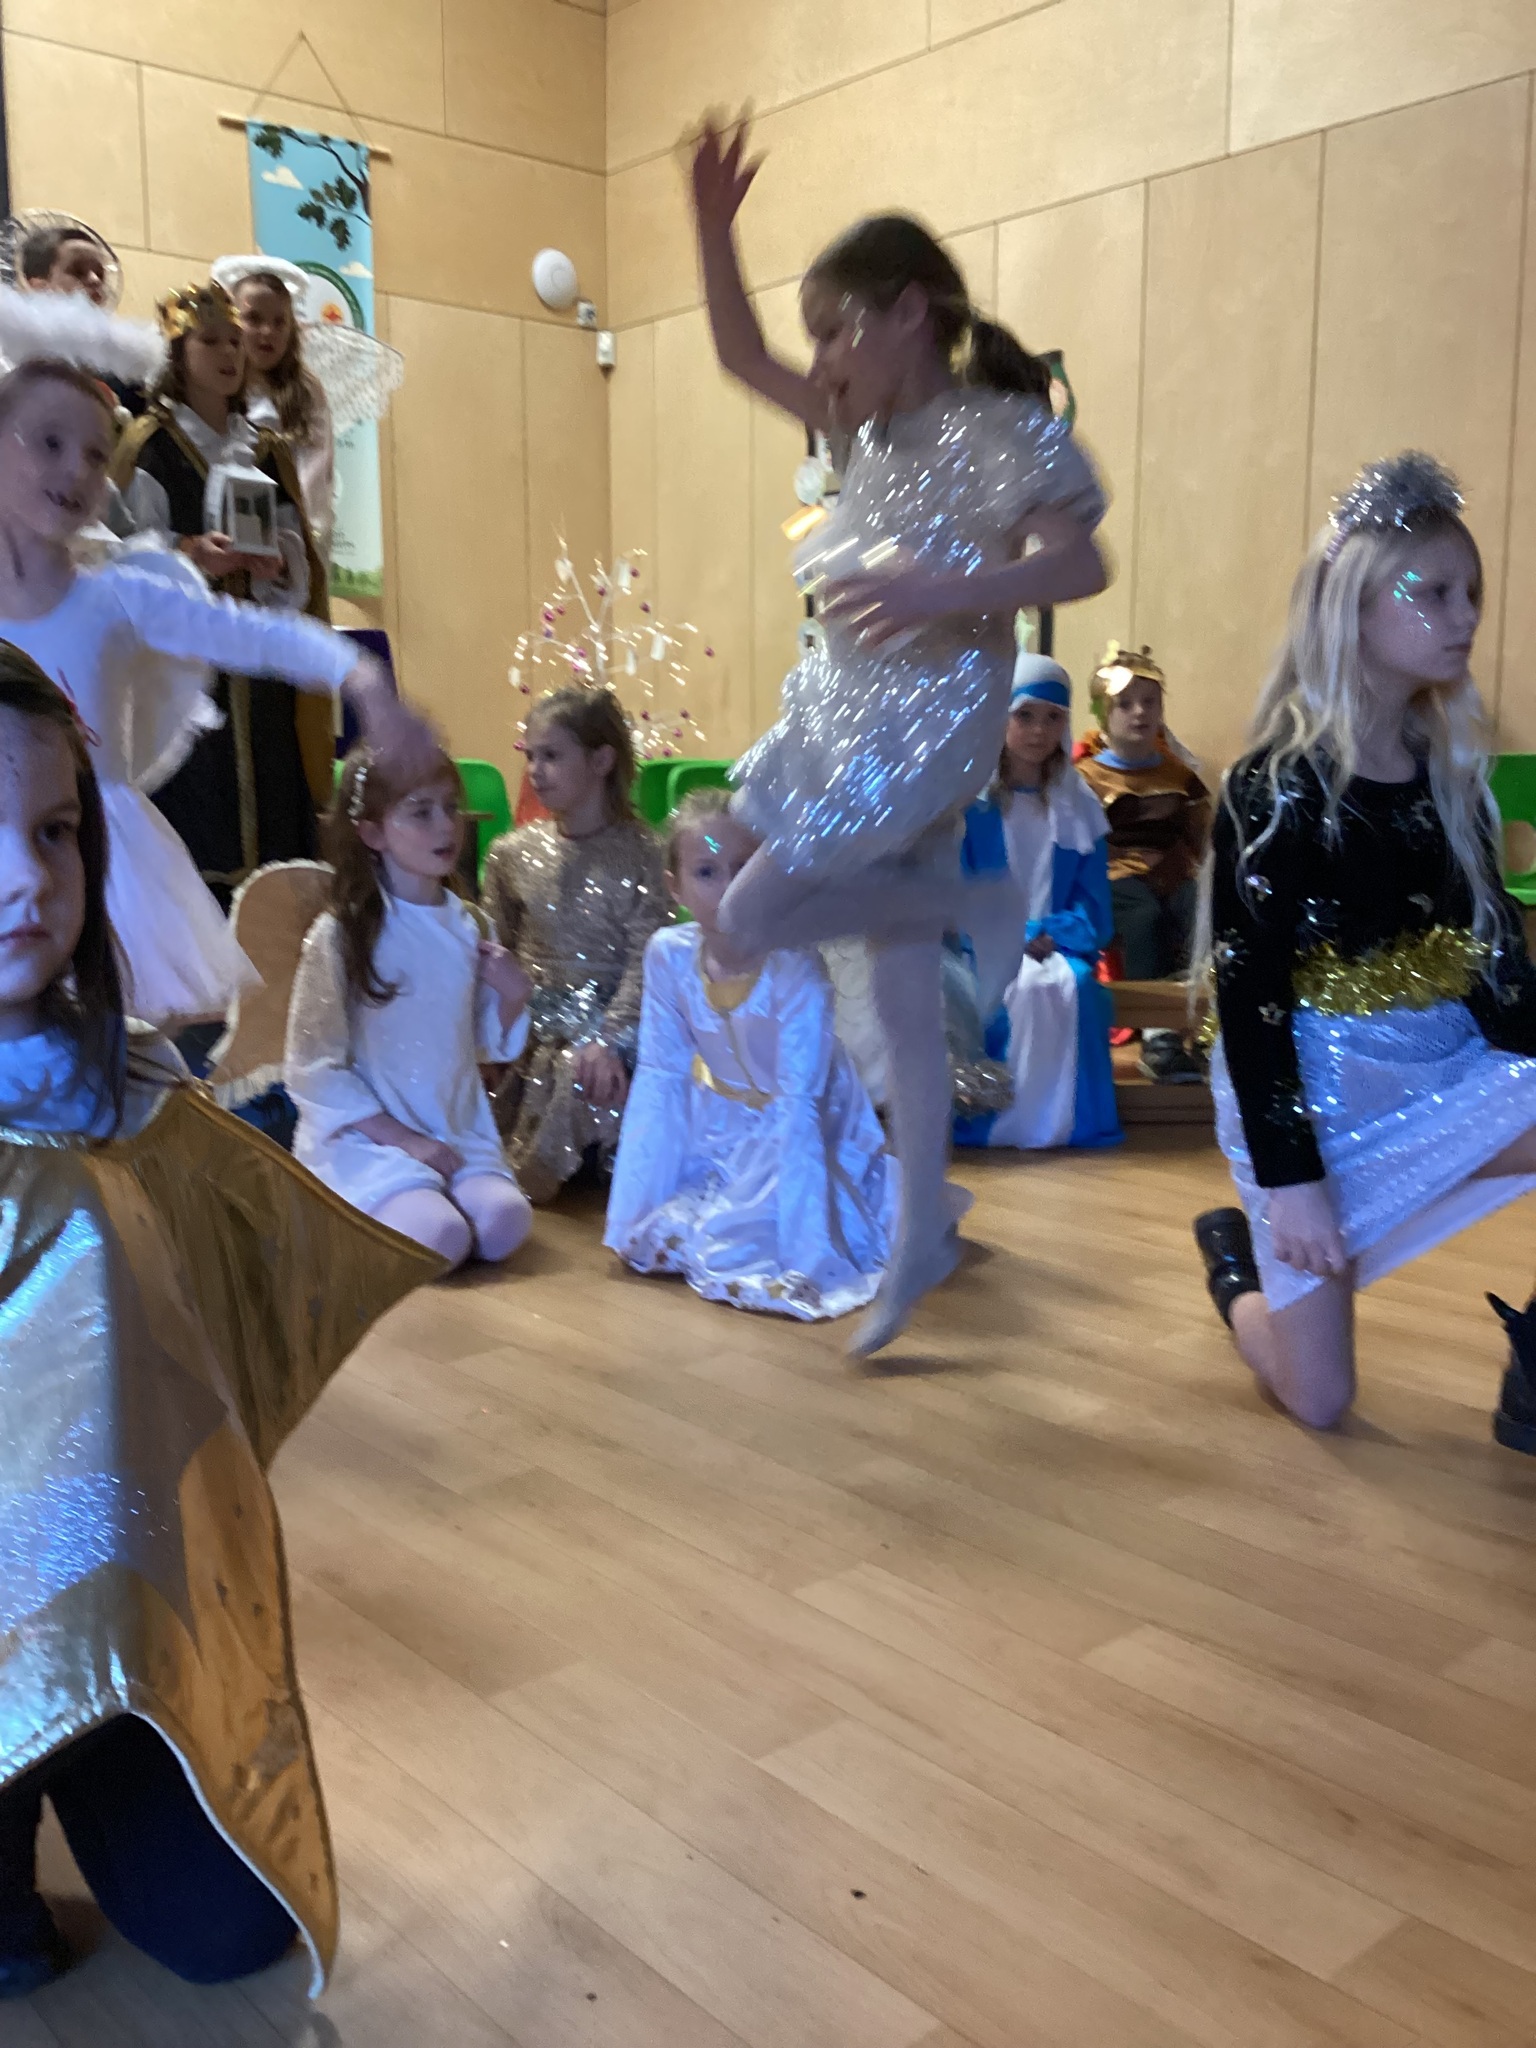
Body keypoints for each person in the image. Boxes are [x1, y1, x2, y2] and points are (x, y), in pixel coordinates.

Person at [0, 651, 438, 2000]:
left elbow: (210, 1328)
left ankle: (92, 1752)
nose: (27, 881)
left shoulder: (129, 1083)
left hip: (115, 1607)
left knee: (230, 1930)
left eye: (53, 831)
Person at [689, 115, 1107, 1354]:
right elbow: (735, 351)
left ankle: (954, 899)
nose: (819, 359)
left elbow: (1080, 563)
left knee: (746, 915)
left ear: (909, 312)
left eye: (835, 329)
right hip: (843, 704)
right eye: (815, 334)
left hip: (927, 716)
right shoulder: (856, 431)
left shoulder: (1001, 430)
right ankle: (920, 1231)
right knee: (908, 1004)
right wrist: (712, 227)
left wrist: (941, 590)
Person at [1191, 452, 1536, 1444]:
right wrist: (1291, 1178)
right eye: (1434, 592)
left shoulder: (1452, 776)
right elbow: (1252, 997)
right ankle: (1236, 1271)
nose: (1466, 616)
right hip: (1314, 1093)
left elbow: (1494, 958)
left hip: (1432, 1064)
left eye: (1473, 593)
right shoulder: (1275, 785)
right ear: (1353, 606)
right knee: (1319, 1399)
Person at [0, 357, 411, 1033]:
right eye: (50, 442)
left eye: (96, 455)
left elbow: (247, 633)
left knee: (106, 1046)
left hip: (100, 862)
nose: (75, 468)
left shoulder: (120, 598)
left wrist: (355, 672)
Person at [605, 789, 896, 1318]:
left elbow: (799, 1103)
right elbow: (661, 1075)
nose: (728, 888)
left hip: (804, 1124)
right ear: (675, 886)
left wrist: (806, 1256)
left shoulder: (794, 967)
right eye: (706, 872)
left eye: (743, 869)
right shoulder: (668, 955)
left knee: (740, 1244)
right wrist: (635, 1207)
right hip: (717, 1124)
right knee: (662, 1233)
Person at [110, 282, 335, 911]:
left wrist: (277, 564)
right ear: (179, 354)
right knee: (196, 827)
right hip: (185, 676)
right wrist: (188, 555)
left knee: (272, 820)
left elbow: (301, 566)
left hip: (260, 677)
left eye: (235, 341)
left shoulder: (266, 450)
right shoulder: (149, 445)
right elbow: (118, 556)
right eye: (211, 341)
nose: (231, 353)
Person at [286, 744, 534, 1267]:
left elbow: (479, 1044)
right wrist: (405, 1140)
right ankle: (358, 1209)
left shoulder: (472, 926)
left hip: (454, 1127)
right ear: (372, 833)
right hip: (368, 1139)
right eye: (421, 812)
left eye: (451, 807)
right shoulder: (341, 934)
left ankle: (432, 1201)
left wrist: (513, 996)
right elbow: (313, 1066)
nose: (446, 825)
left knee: (505, 1224)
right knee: (440, 1236)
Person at [480, 688, 669, 1203]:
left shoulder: (646, 856)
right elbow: (494, 955)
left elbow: (647, 962)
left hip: (614, 1027)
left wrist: (609, 1040)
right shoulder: (510, 855)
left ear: (601, 761)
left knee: (581, 1069)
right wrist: (489, 1037)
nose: (535, 771)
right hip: (532, 1025)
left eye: (552, 755)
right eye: (530, 756)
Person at [950, 653, 1120, 1151]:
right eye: (1024, 715)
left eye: (1052, 717)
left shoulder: (1078, 805)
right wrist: (1013, 936)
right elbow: (955, 895)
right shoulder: (969, 805)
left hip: (1058, 944)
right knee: (1013, 988)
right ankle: (995, 1120)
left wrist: (1053, 933)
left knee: (1077, 985)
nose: (1038, 730)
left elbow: (1094, 904)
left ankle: (1071, 1121)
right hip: (983, 946)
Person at [1075, 642, 1210, 1082]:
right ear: (1104, 713)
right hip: (1113, 876)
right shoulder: (1086, 778)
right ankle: (1158, 1035)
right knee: (1144, 915)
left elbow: (1203, 837)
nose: (1139, 712)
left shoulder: (1178, 776)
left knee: (1199, 910)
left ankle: (1205, 1023)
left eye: (1149, 702)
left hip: (1170, 874)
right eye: (1125, 704)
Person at [212, 256, 337, 568]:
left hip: (283, 542)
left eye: (279, 322)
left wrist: (287, 540)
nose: (267, 331)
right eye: (254, 319)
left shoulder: (305, 392)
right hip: (219, 532)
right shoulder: (213, 382)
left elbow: (312, 476)